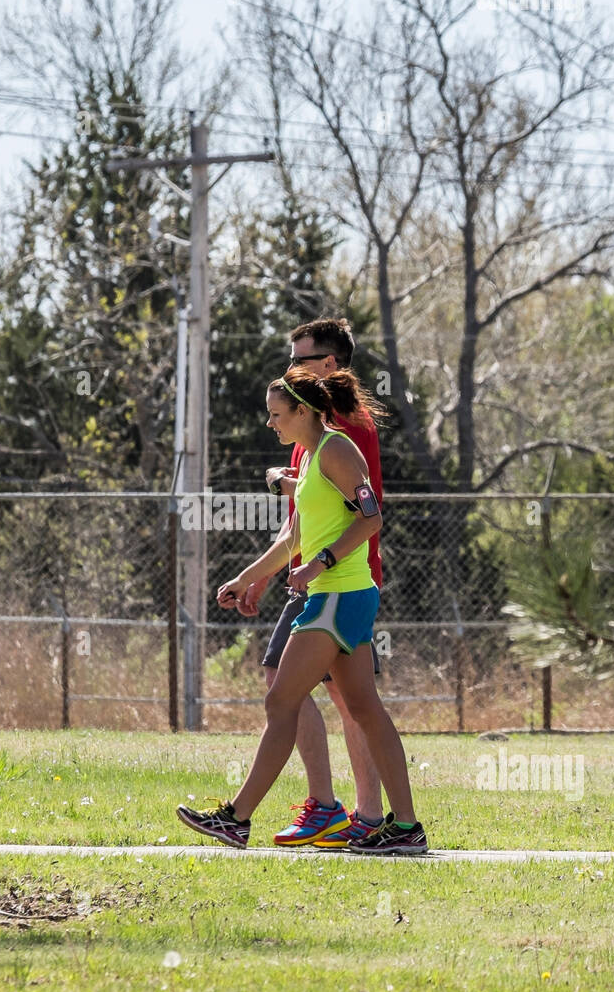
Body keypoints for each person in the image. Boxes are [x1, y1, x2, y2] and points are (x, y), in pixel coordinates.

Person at [176, 364, 428, 855]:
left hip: (338, 594)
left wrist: (319, 565)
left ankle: (236, 818)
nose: (270, 424)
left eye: (276, 415)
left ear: (303, 411)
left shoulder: (335, 448)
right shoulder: (313, 457)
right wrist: (247, 577)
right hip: (336, 594)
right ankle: (406, 828)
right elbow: (294, 535)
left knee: (280, 700)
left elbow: (372, 517)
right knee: (364, 708)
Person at [239, 319, 386, 848]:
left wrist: (312, 559)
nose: (291, 366)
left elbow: (361, 505)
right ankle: (354, 813)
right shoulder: (304, 424)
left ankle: (359, 814)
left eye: (301, 358)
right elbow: (304, 513)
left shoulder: (347, 426)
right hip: (315, 577)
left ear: (329, 366)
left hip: (341, 577)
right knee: (345, 697)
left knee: (338, 698)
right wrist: (263, 574)